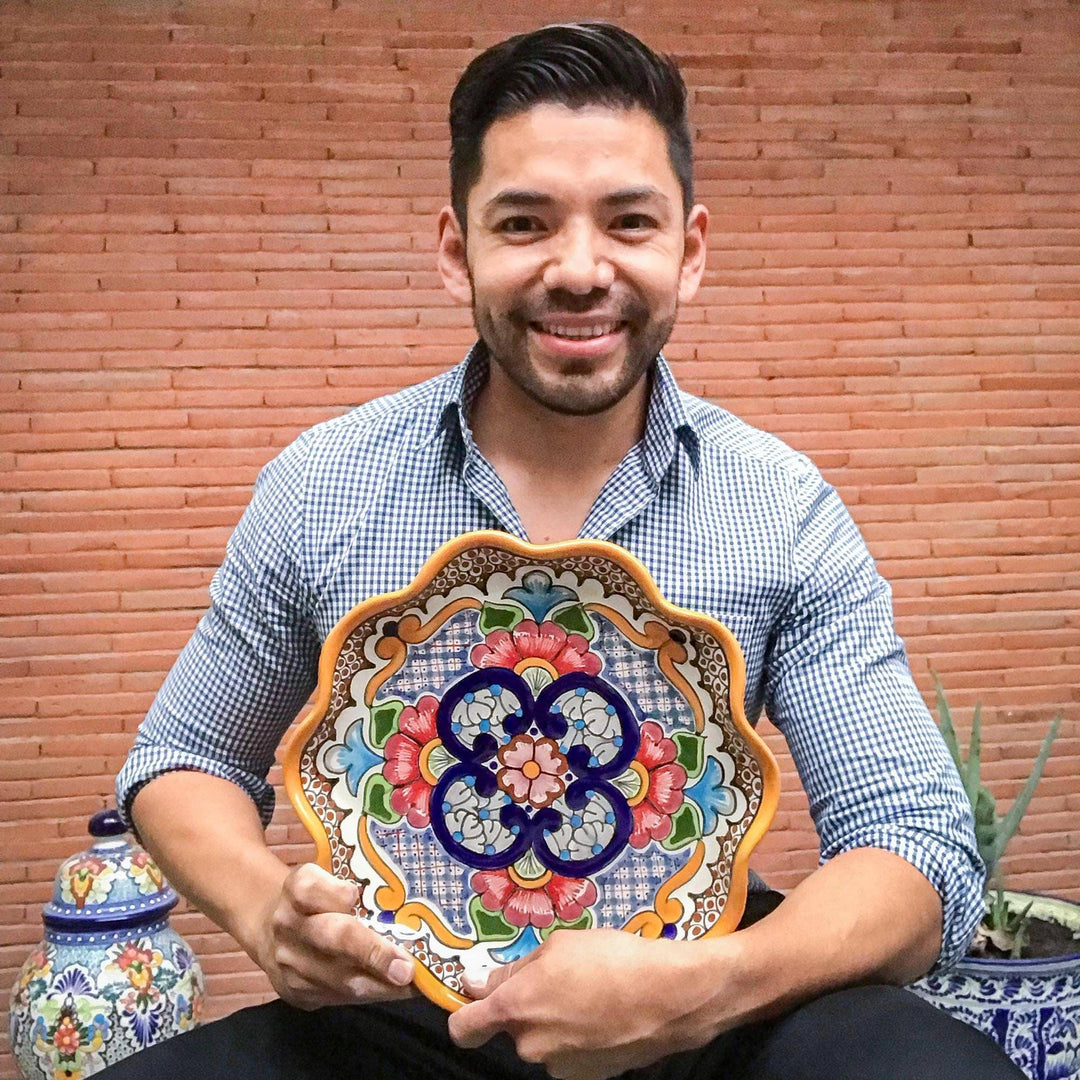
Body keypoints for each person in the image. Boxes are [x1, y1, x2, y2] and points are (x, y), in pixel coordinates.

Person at [102, 22, 1024, 1080]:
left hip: (703, 996)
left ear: (691, 246)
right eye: (525, 223)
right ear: (460, 251)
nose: (579, 270)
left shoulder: (781, 506)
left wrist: (708, 986)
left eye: (629, 222)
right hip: (406, 1004)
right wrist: (270, 914)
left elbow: (917, 845)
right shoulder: (325, 482)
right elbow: (180, 761)